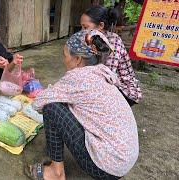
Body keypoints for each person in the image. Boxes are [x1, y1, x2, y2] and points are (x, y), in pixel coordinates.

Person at [27, 30, 139, 180]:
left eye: (65, 55)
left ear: (78, 59)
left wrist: (47, 93)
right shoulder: (102, 72)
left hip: (107, 168)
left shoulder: (77, 77)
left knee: (51, 108)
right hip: (124, 160)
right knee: (66, 104)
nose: (64, 60)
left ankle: (55, 173)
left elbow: (38, 103)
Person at [80, 5, 142, 106]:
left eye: (85, 27)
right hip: (110, 83)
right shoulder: (94, 39)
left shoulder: (113, 42)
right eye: (81, 27)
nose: (82, 31)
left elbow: (107, 76)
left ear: (100, 25)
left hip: (125, 90)